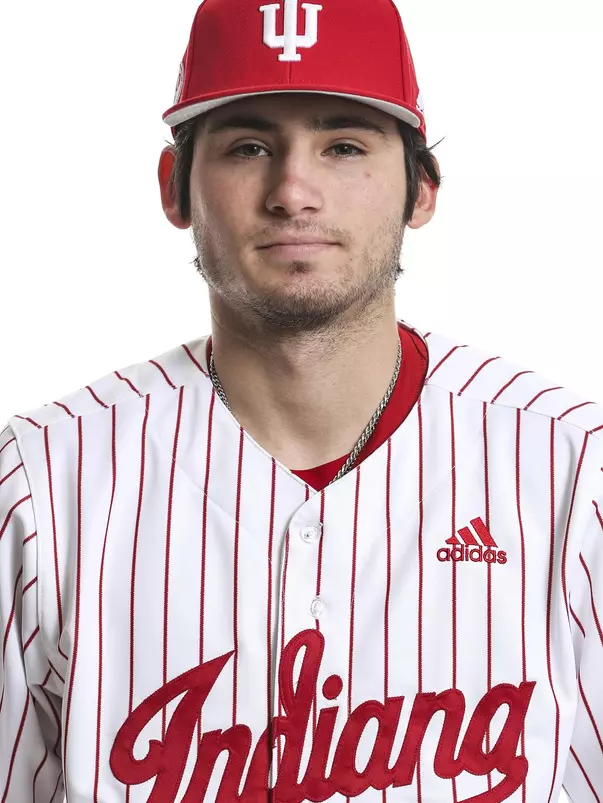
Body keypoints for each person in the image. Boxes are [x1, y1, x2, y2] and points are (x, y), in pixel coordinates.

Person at [0, 0, 601, 800]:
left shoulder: (570, 469)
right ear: (174, 188)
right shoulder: (42, 482)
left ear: (421, 191)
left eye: (343, 145)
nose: (293, 190)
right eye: (249, 146)